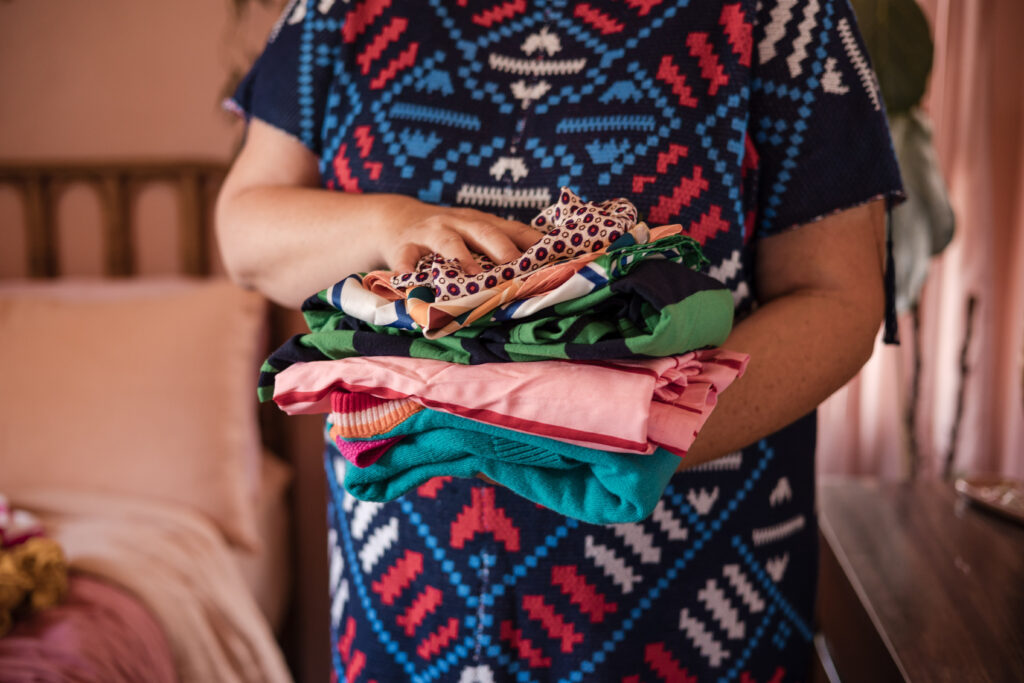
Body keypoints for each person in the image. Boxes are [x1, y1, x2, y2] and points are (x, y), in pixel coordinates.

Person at [217, 1, 903, 680]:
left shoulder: (782, 14)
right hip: (406, 609)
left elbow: (836, 296)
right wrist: (394, 226)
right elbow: (245, 230)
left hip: (690, 612)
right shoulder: (338, 11)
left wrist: (640, 419)